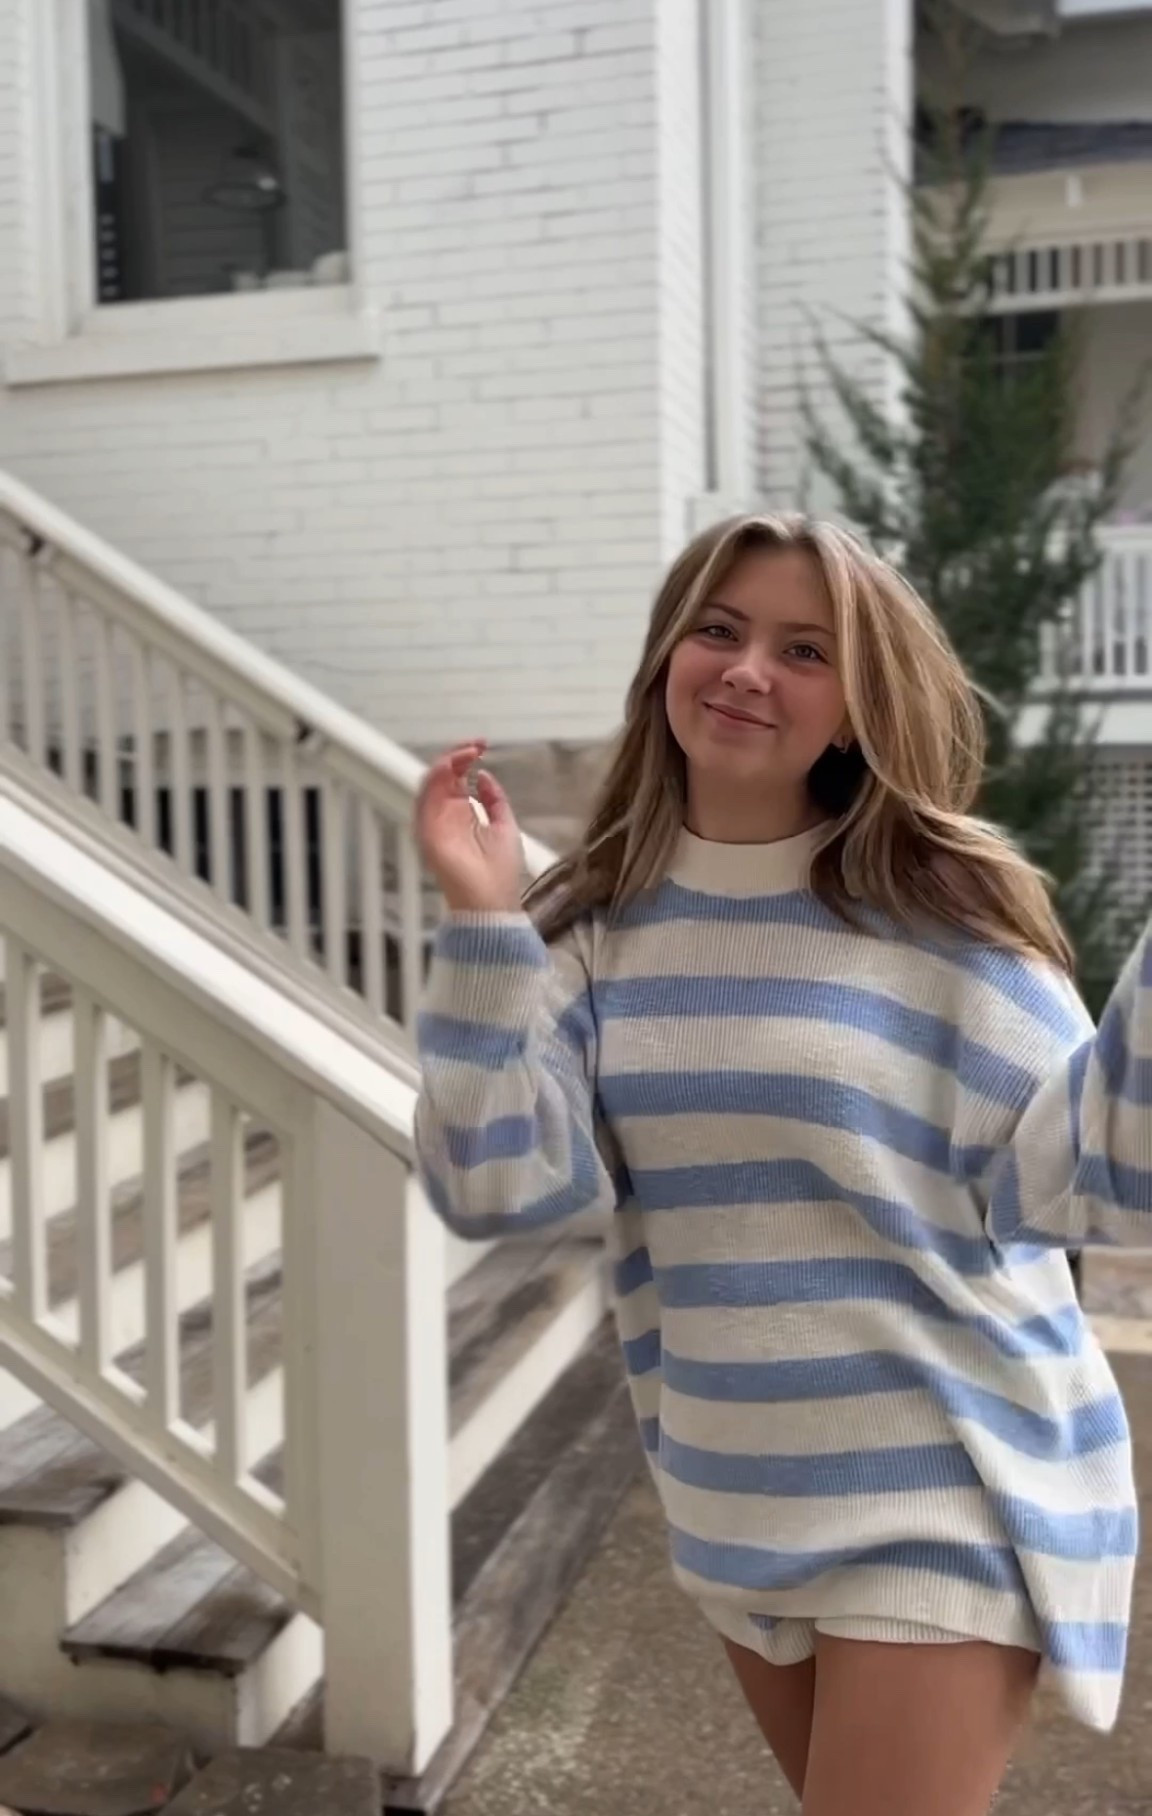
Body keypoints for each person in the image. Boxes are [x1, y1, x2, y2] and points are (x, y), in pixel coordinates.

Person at [412, 513, 1145, 1816]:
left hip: (944, 1484)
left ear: (858, 708)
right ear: (667, 658)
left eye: (806, 650)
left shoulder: (940, 916)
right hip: (736, 1501)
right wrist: (481, 920)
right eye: (721, 629)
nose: (749, 669)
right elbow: (499, 1186)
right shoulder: (590, 932)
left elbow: (1089, 1180)